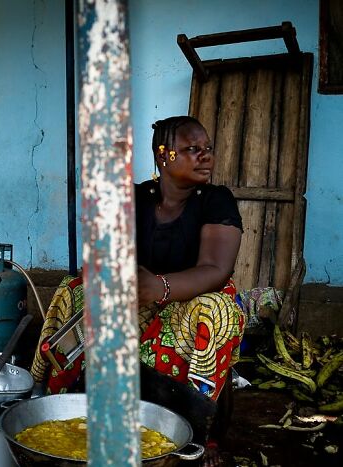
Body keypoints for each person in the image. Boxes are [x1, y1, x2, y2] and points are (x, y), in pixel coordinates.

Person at [136, 116, 244, 466]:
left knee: (218, 310)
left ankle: (199, 434)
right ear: (163, 156)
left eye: (207, 149)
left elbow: (216, 269)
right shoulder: (136, 198)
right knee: (72, 289)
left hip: (191, 304)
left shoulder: (216, 200)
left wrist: (159, 287)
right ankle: (63, 399)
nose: (205, 157)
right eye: (192, 150)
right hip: (142, 303)